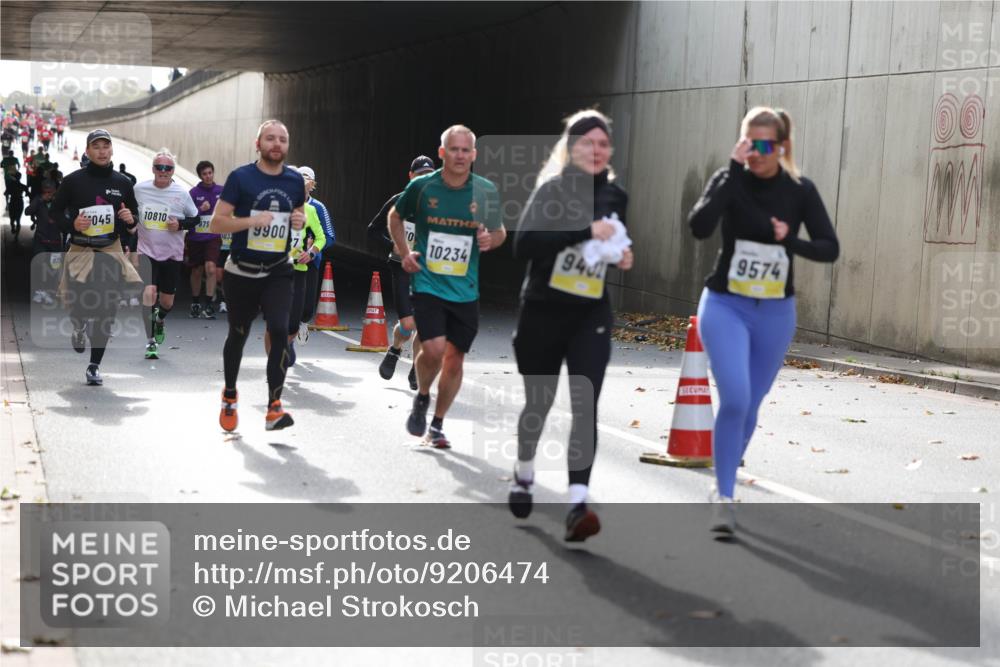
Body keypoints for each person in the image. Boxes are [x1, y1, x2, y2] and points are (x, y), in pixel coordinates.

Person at [688, 106, 839, 535]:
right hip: (725, 304)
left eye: (765, 144)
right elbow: (699, 225)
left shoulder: (799, 190)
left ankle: (729, 460)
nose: (756, 153)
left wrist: (788, 239)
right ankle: (724, 496)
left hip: (775, 311)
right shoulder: (729, 179)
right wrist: (731, 170)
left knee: (751, 403)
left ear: (782, 146)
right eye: (749, 142)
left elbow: (829, 247)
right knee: (734, 397)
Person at [508, 109, 632, 542]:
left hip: (590, 314)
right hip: (543, 309)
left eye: (603, 144)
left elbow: (614, 241)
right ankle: (524, 473)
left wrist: (621, 254)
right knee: (538, 404)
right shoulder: (552, 190)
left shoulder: (617, 196)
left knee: (585, 405)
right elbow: (525, 244)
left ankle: (578, 503)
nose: (596, 151)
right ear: (571, 147)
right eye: (587, 143)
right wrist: (582, 230)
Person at [389, 125, 505, 448]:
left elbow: (499, 232)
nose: (460, 155)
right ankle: (423, 394)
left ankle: (437, 424)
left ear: (474, 155)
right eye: (453, 149)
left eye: (465, 150)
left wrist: (489, 239)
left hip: (465, 289)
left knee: (455, 359)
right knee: (436, 350)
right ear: (442, 153)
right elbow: (394, 217)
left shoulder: (484, 191)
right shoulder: (423, 187)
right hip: (427, 282)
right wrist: (403, 252)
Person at [209, 119, 306, 432]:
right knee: (238, 334)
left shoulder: (294, 181)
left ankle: (274, 407)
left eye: (282, 139)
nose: (276, 144)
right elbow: (217, 223)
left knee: (279, 330)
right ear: (258, 144)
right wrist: (250, 222)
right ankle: (230, 394)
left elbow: (300, 213)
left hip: (279, 269)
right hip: (241, 272)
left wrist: (298, 220)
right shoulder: (241, 178)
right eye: (270, 139)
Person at [50, 129, 141, 386]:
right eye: (96, 146)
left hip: (109, 250)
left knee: (107, 308)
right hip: (81, 249)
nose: (102, 151)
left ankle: (94, 366)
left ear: (112, 150)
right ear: (88, 151)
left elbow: (133, 217)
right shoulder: (73, 181)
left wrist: (130, 221)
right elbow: (55, 213)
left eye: (106, 146)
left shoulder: (123, 183)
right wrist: (72, 224)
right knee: (77, 304)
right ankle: (78, 326)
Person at [369, 155, 436, 390]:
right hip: (401, 267)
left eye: (429, 175)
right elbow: (373, 230)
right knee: (408, 324)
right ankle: (396, 348)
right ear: (411, 176)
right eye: (420, 175)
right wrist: (392, 244)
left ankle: (417, 367)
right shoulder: (398, 202)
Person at [131, 149, 200, 360]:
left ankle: (160, 319)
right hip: (146, 251)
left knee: (167, 302)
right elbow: (131, 215)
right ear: (153, 169)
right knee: (148, 294)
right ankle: (150, 341)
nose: (163, 171)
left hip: (171, 255)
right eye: (159, 167)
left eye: (167, 168)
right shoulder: (139, 190)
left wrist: (180, 224)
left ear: (172, 171)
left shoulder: (181, 193)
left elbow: (196, 219)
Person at [263, 166, 326, 367]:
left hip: (299, 270)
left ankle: (286, 344)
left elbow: (322, 237)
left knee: (293, 323)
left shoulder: (311, 210)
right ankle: (273, 362)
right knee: (273, 321)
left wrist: (312, 252)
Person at [296, 165, 334, 341]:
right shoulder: (284, 204)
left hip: (310, 263)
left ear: (312, 184)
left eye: (307, 181)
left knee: (306, 306)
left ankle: (302, 322)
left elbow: (329, 236)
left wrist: (312, 250)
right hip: (286, 262)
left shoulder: (317, 208)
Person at [186, 160, 224, 319]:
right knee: (196, 270)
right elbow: (186, 216)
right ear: (200, 176)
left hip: (213, 236)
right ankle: (195, 302)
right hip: (196, 237)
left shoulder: (221, 191)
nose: (208, 176)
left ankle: (208, 305)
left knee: (210, 268)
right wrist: (200, 210)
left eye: (210, 173)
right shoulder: (193, 193)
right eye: (204, 174)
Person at [27, 179, 62, 304]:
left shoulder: (60, 201)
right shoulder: (38, 200)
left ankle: (50, 292)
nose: (48, 194)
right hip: (41, 239)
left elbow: (68, 216)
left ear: (55, 191)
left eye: (50, 192)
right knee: (38, 265)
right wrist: (40, 200)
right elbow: (27, 211)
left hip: (56, 241)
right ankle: (39, 291)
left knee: (54, 269)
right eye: (46, 192)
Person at [5, 172, 27, 238]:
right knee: (18, 220)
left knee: (12, 219)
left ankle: (13, 228)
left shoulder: (10, 185)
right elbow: (28, 193)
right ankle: (16, 237)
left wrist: (7, 203)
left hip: (13, 202)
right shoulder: (22, 185)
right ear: (20, 177)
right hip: (19, 202)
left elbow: (6, 194)